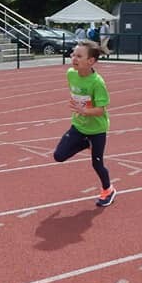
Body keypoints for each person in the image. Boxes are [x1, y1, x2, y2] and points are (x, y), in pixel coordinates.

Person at [53, 40, 115, 206]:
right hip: (79, 126)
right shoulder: (70, 74)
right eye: (74, 54)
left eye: (79, 56)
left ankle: (108, 190)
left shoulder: (97, 83)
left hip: (97, 130)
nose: (74, 58)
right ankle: (85, 143)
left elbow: (101, 109)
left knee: (97, 163)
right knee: (58, 156)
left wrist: (84, 111)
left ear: (91, 61)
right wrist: (79, 107)